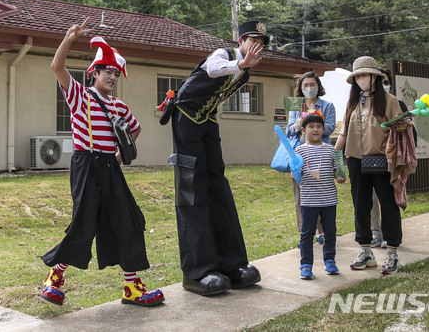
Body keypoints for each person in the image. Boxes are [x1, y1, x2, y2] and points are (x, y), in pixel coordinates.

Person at [40, 18, 164, 307]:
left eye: (116, 73)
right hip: (87, 165)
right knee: (84, 222)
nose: (112, 77)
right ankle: (54, 278)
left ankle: (132, 288)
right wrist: (69, 38)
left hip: (111, 167)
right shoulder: (80, 96)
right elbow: (56, 68)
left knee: (129, 220)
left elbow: (136, 128)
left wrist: (123, 150)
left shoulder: (118, 105)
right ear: (94, 73)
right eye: (107, 71)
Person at [168, 20, 265, 296]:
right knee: (193, 187)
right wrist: (241, 64)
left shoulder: (244, 73)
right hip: (186, 118)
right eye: (252, 39)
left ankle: (231, 264)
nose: (257, 46)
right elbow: (211, 70)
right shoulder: (223, 56)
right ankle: (197, 271)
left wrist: (243, 69)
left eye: (262, 43)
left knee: (218, 187)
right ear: (241, 41)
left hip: (207, 121)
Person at [334, 56, 408, 275]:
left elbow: (400, 130)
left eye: (364, 75)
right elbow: (344, 132)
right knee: (360, 204)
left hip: (382, 159)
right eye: (357, 76)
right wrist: (333, 154)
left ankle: (392, 252)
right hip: (355, 160)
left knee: (388, 203)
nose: (360, 79)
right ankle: (365, 250)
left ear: (375, 76)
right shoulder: (353, 102)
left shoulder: (390, 101)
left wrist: (403, 126)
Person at [286, 72, 337, 245]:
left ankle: (322, 231)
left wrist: (312, 119)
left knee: (321, 193)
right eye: (305, 85)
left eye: (312, 84)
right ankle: (304, 232)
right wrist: (299, 122)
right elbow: (289, 130)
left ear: (318, 86)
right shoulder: (295, 106)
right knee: (300, 195)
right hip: (300, 155)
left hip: (321, 155)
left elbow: (329, 127)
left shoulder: (327, 105)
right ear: (300, 88)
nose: (309, 88)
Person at [370, 68, 417, 249]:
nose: (384, 85)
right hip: (372, 158)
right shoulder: (366, 104)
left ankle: (390, 236)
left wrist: (403, 129)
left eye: (386, 81)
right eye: (380, 81)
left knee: (389, 198)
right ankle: (375, 233)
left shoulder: (399, 104)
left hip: (393, 160)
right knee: (371, 199)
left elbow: (412, 132)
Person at [294, 112, 345, 279]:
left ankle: (330, 261)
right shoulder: (299, 150)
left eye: (319, 126)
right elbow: (295, 174)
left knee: (330, 231)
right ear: (304, 129)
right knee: (307, 234)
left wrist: (339, 176)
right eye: (311, 126)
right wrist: (296, 171)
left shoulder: (331, 149)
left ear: (324, 129)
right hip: (308, 200)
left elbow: (336, 171)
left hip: (329, 199)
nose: (315, 129)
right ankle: (306, 265)